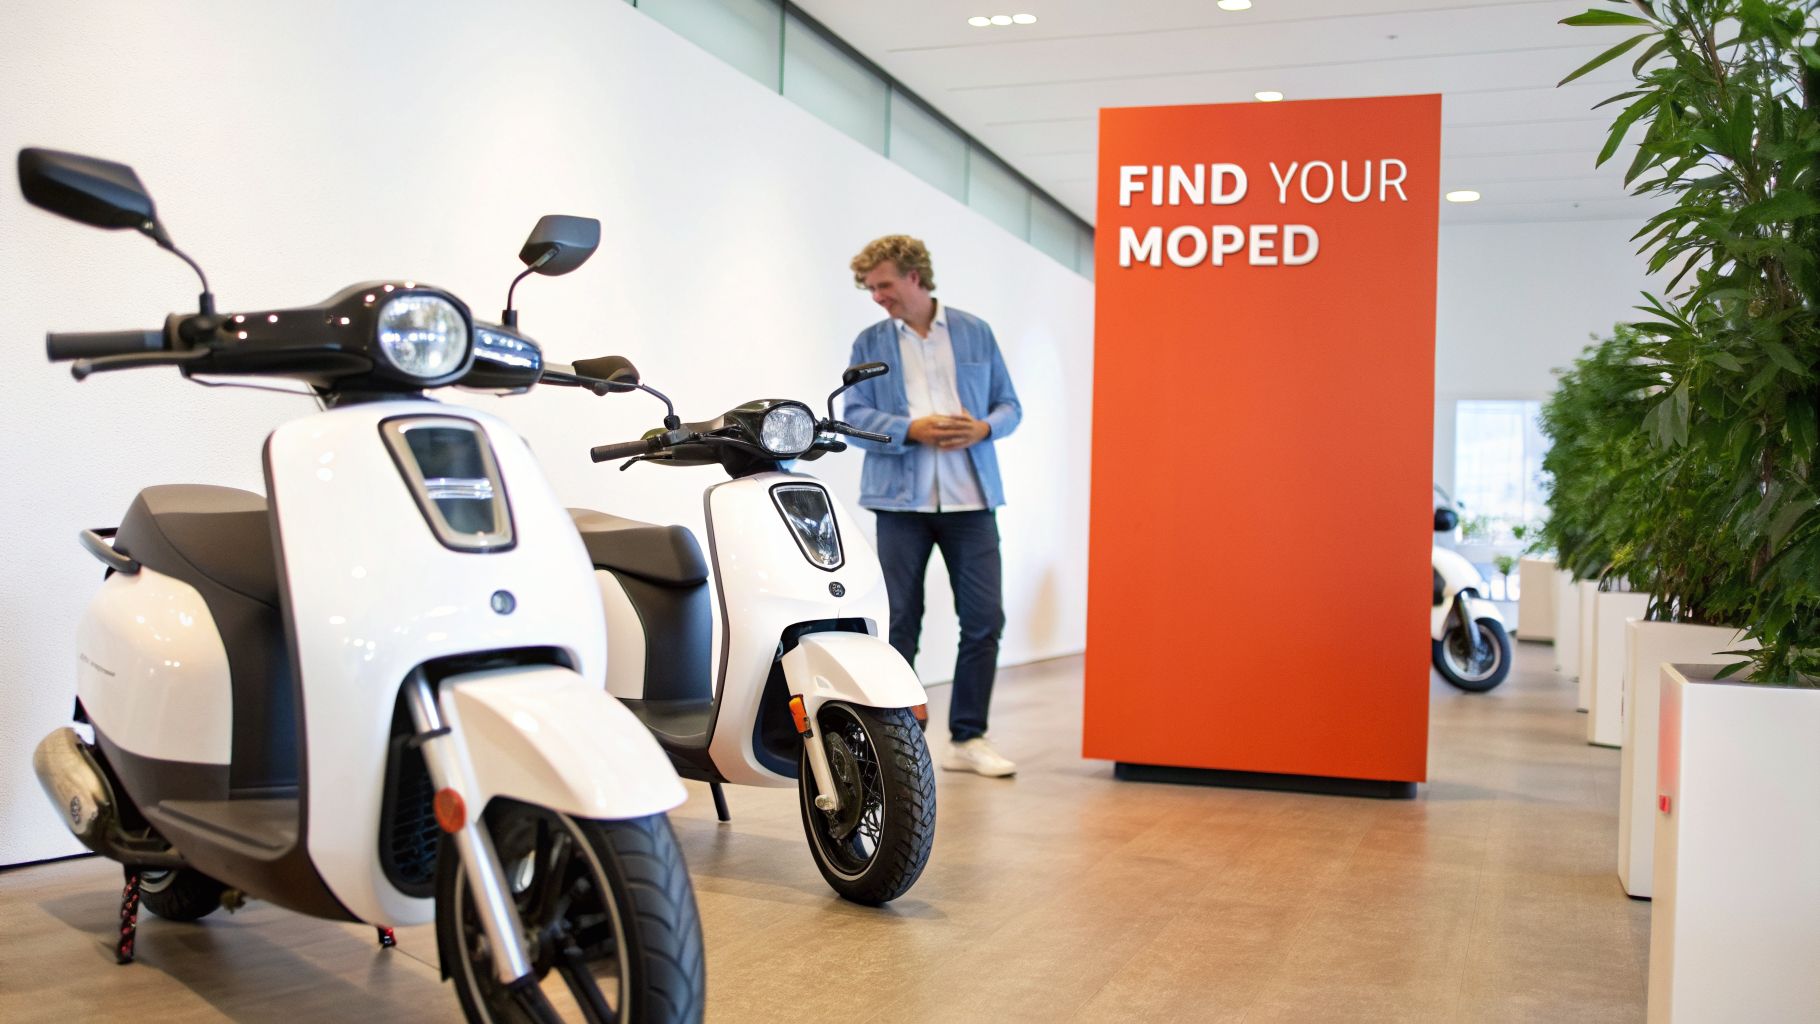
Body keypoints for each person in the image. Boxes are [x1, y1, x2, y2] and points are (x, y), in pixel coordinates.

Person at [840, 235, 1022, 778]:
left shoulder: (974, 331)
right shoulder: (868, 341)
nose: (877, 297)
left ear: (915, 276)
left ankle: (968, 738)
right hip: (900, 505)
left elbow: (1010, 405)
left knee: (985, 619)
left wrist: (985, 427)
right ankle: (899, 743)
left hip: (972, 500)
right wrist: (909, 429)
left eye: (884, 285)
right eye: (870, 288)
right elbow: (852, 416)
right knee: (900, 624)